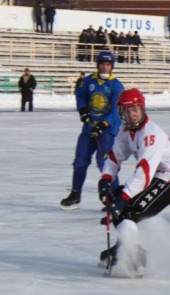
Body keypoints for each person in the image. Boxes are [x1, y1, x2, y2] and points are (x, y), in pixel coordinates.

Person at [98, 88, 170, 277]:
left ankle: (135, 258)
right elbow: (115, 156)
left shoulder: (151, 135)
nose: (132, 115)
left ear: (142, 109)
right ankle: (124, 249)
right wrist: (105, 179)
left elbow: (144, 173)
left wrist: (124, 198)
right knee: (117, 203)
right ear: (121, 113)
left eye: (135, 110)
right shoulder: (125, 131)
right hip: (158, 176)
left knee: (129, 211)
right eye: (127, 111)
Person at [60, 51, 124, 210]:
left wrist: (103, 125)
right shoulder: (88, 81)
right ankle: (75, 194)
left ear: (112, 66)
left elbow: (116, 110)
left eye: (108, 64)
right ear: (97, 64)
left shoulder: (116, 85)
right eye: (102, 64)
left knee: (105, 162)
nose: (104, 67)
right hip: (89, 128)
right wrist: (83, 111)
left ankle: (114, 195)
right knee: (80, 161)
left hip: (107, 130)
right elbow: (80, 96)